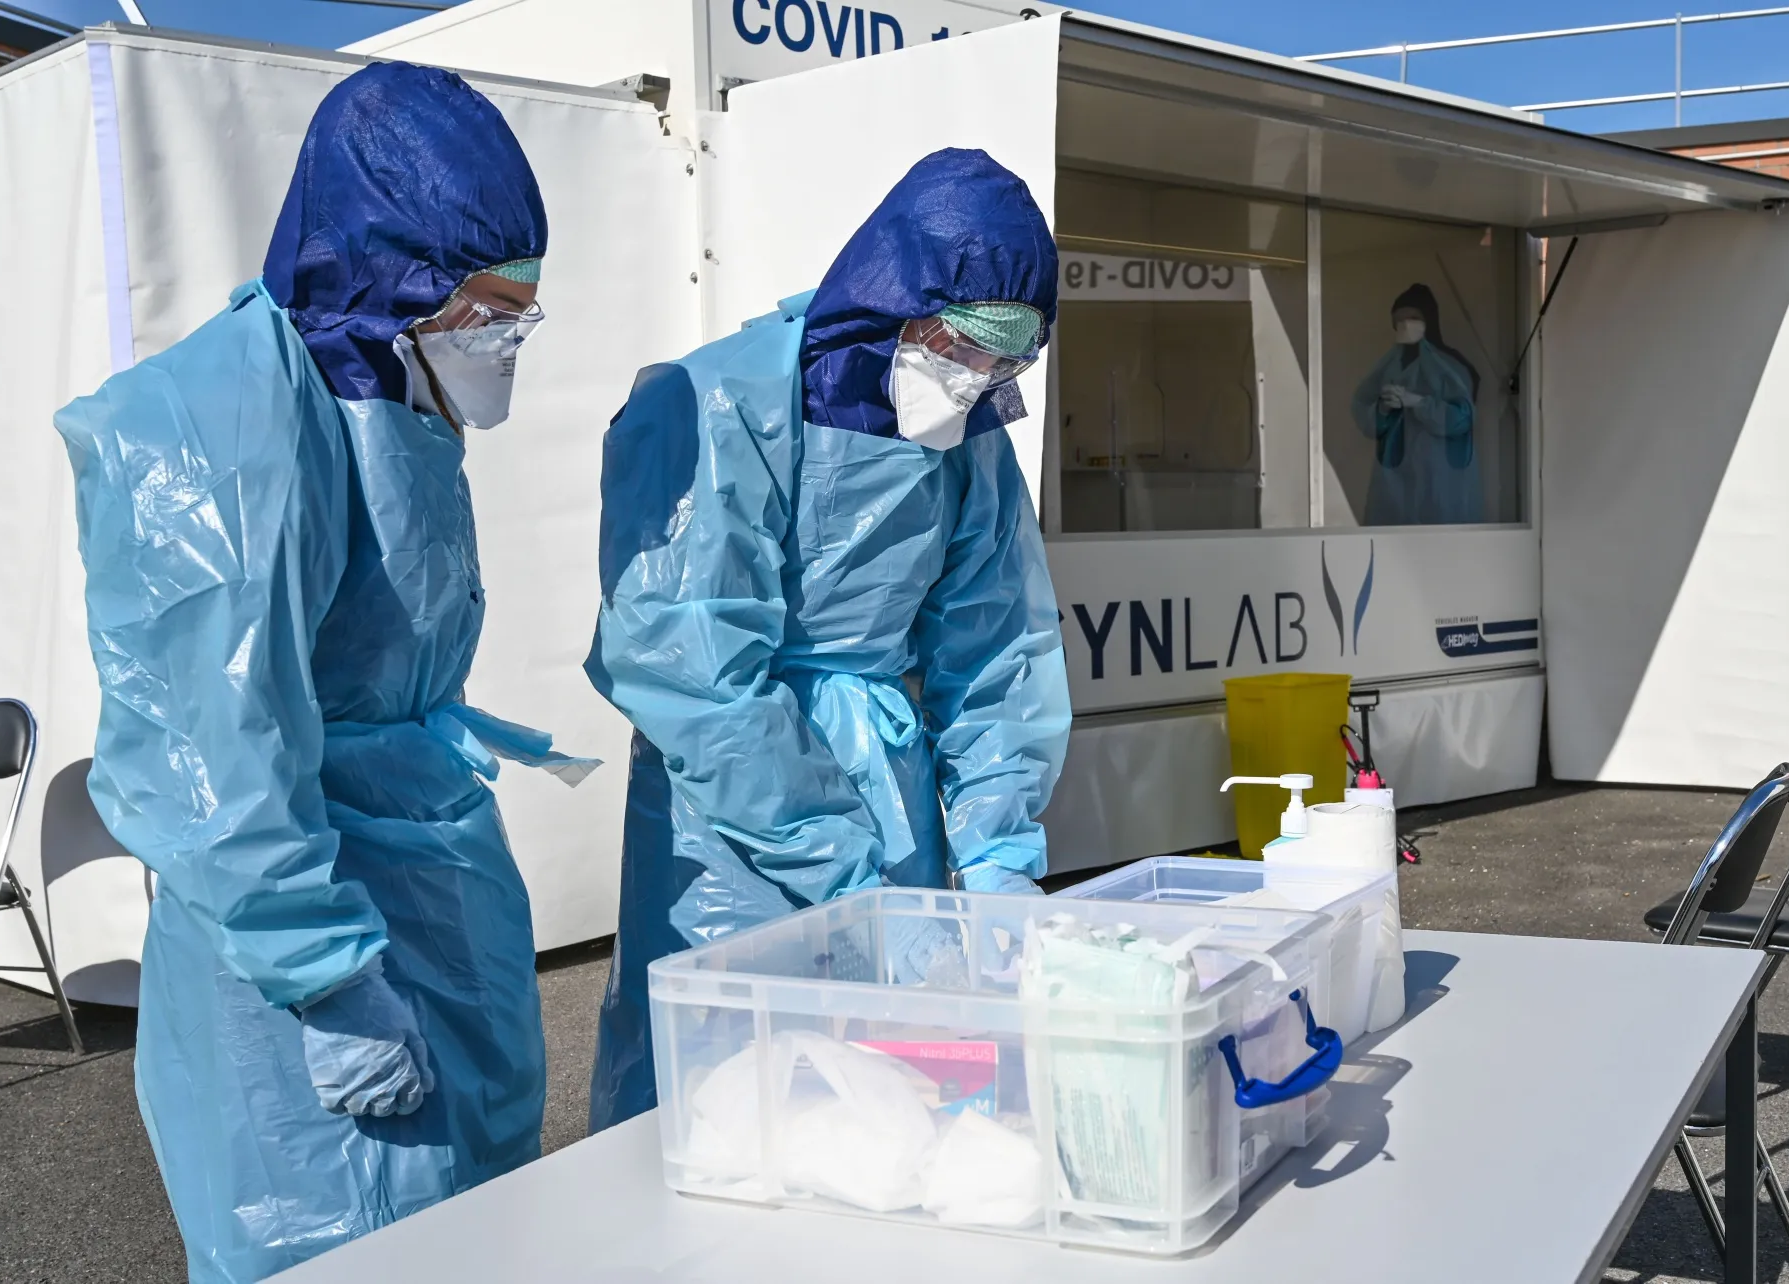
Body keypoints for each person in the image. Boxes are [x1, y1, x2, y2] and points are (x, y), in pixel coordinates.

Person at [54, 63, 595, 1283]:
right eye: (485, 307)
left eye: (520, 306)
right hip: (313, 921)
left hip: (425, 863)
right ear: (391, 277)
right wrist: (323, 977)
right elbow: (211, 743)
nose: (508, 333)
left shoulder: (386, 385)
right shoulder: (227, 423)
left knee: (469, 1216)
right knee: (333, 1230)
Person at [584, 148, 1073, 1132]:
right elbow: (693, 668)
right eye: (965, 345)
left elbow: (998, 651)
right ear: (896, 300)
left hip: (887, 798)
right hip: (726, 824)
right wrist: (843, 874)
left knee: (896, 1105)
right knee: (724, 1108)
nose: (980, 379)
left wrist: (996, 864)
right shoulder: (717, 403)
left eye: (1007, 361)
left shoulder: (969, 435)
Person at [1350, 282, 1484, 525]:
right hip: (1394, 476)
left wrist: (1419, 403)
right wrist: (1382, 409)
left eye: (1413, 318)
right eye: (1399, 321)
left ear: (1429, 319)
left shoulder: (1451, 366)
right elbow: (1362, 410)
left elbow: (1463, 419)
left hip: (1440, 475)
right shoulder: (1388, 367)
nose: (1405, 326)